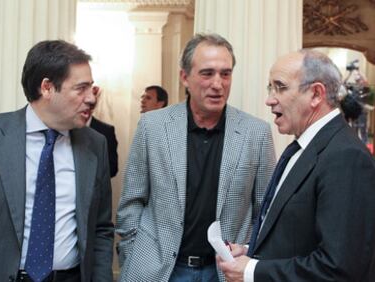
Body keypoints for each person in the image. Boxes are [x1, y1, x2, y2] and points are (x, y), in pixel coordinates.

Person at [116, 33, 276, 282]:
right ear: (185, 77)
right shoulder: (153, 126)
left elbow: (265, 212)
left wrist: (246, 252)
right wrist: (133, 253)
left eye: (225, 74)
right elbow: (132, 200)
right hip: (160, 271)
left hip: (225, 272)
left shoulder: (256, 133)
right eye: (207, 73)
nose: (218, 83)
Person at [0, 40, 114, 282]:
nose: (91, 99)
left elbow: (102, 228)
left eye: (91, 88)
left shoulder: (95, 144)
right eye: (81, 88)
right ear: (47, 88)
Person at [217, 49, 375, 282]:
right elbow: (298, 234)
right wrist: (251, 251)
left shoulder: (346, 157)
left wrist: (252, 271)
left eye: (280, 87)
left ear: (315, 94)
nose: (270, 99)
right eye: (270, 88)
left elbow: (339, 268)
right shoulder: (304, 147)